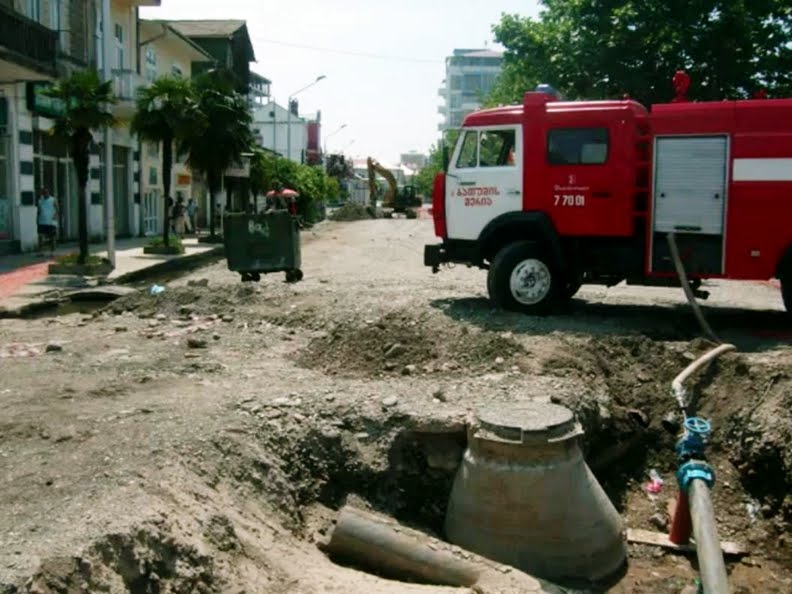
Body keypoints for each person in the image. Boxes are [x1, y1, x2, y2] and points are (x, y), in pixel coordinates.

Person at [36, 187, 58, 256]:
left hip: (51, 222)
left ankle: (52, 252)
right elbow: (39, 211)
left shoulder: (53, 200)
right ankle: (41, 252)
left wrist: (55, 216)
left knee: (52, 237)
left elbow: (57, 209)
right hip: (42, 221)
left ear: (49, 192)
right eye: (43, 192)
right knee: (40, 237)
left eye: (46, 192)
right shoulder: (40, 201)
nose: (45, 194)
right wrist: (37, 219)